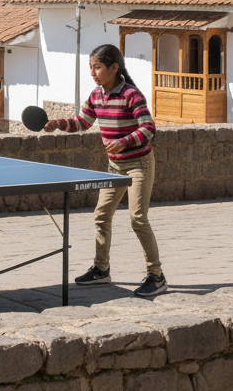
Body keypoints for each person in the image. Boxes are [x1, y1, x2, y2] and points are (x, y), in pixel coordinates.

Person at [43, 44, 167, 297]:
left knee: (138, 219)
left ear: (113, 68)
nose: (92, 72)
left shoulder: (132, 95)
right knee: (101, 216)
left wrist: (123, 142)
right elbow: (82, 122)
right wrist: (58, 123)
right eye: (90, 67)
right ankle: (101, 270)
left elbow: (148, 128)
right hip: (114, 167)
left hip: (139, 164)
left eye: (97, 67)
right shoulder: (95, 96)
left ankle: (157, 276)